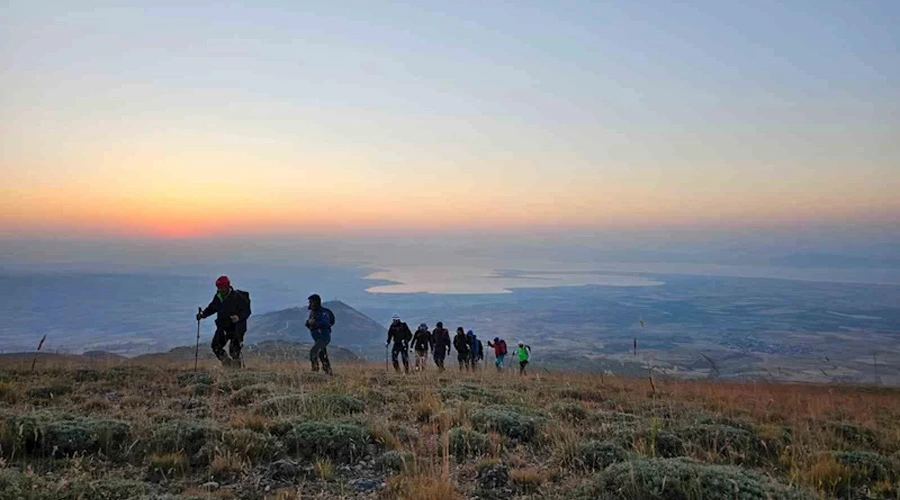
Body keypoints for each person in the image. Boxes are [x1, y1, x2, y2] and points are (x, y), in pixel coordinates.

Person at [197, 275, 251, 369]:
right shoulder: (218, 297)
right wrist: (202, 315)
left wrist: (238, 317)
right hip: (223, 327)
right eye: (218, 287)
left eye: (222, 287)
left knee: (234, 351)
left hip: (237, 328)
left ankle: (237, 371)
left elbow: (247, 311)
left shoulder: (237, 297)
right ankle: (228, 365)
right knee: (216, 346)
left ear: (227, 286)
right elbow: (212, 308)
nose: (220, 289)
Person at [305, 294, 335, 375]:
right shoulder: (313, 313)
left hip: (323, 337)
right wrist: (308, 323)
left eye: (311, 302)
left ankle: (315, 370)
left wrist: (314, 324)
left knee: (313, 352)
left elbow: (326, 322)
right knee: (322, 355)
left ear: (316, 302)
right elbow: (310, 324)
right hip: (318, 338)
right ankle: (328, 372)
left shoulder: (323, 312)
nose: (309, 304)